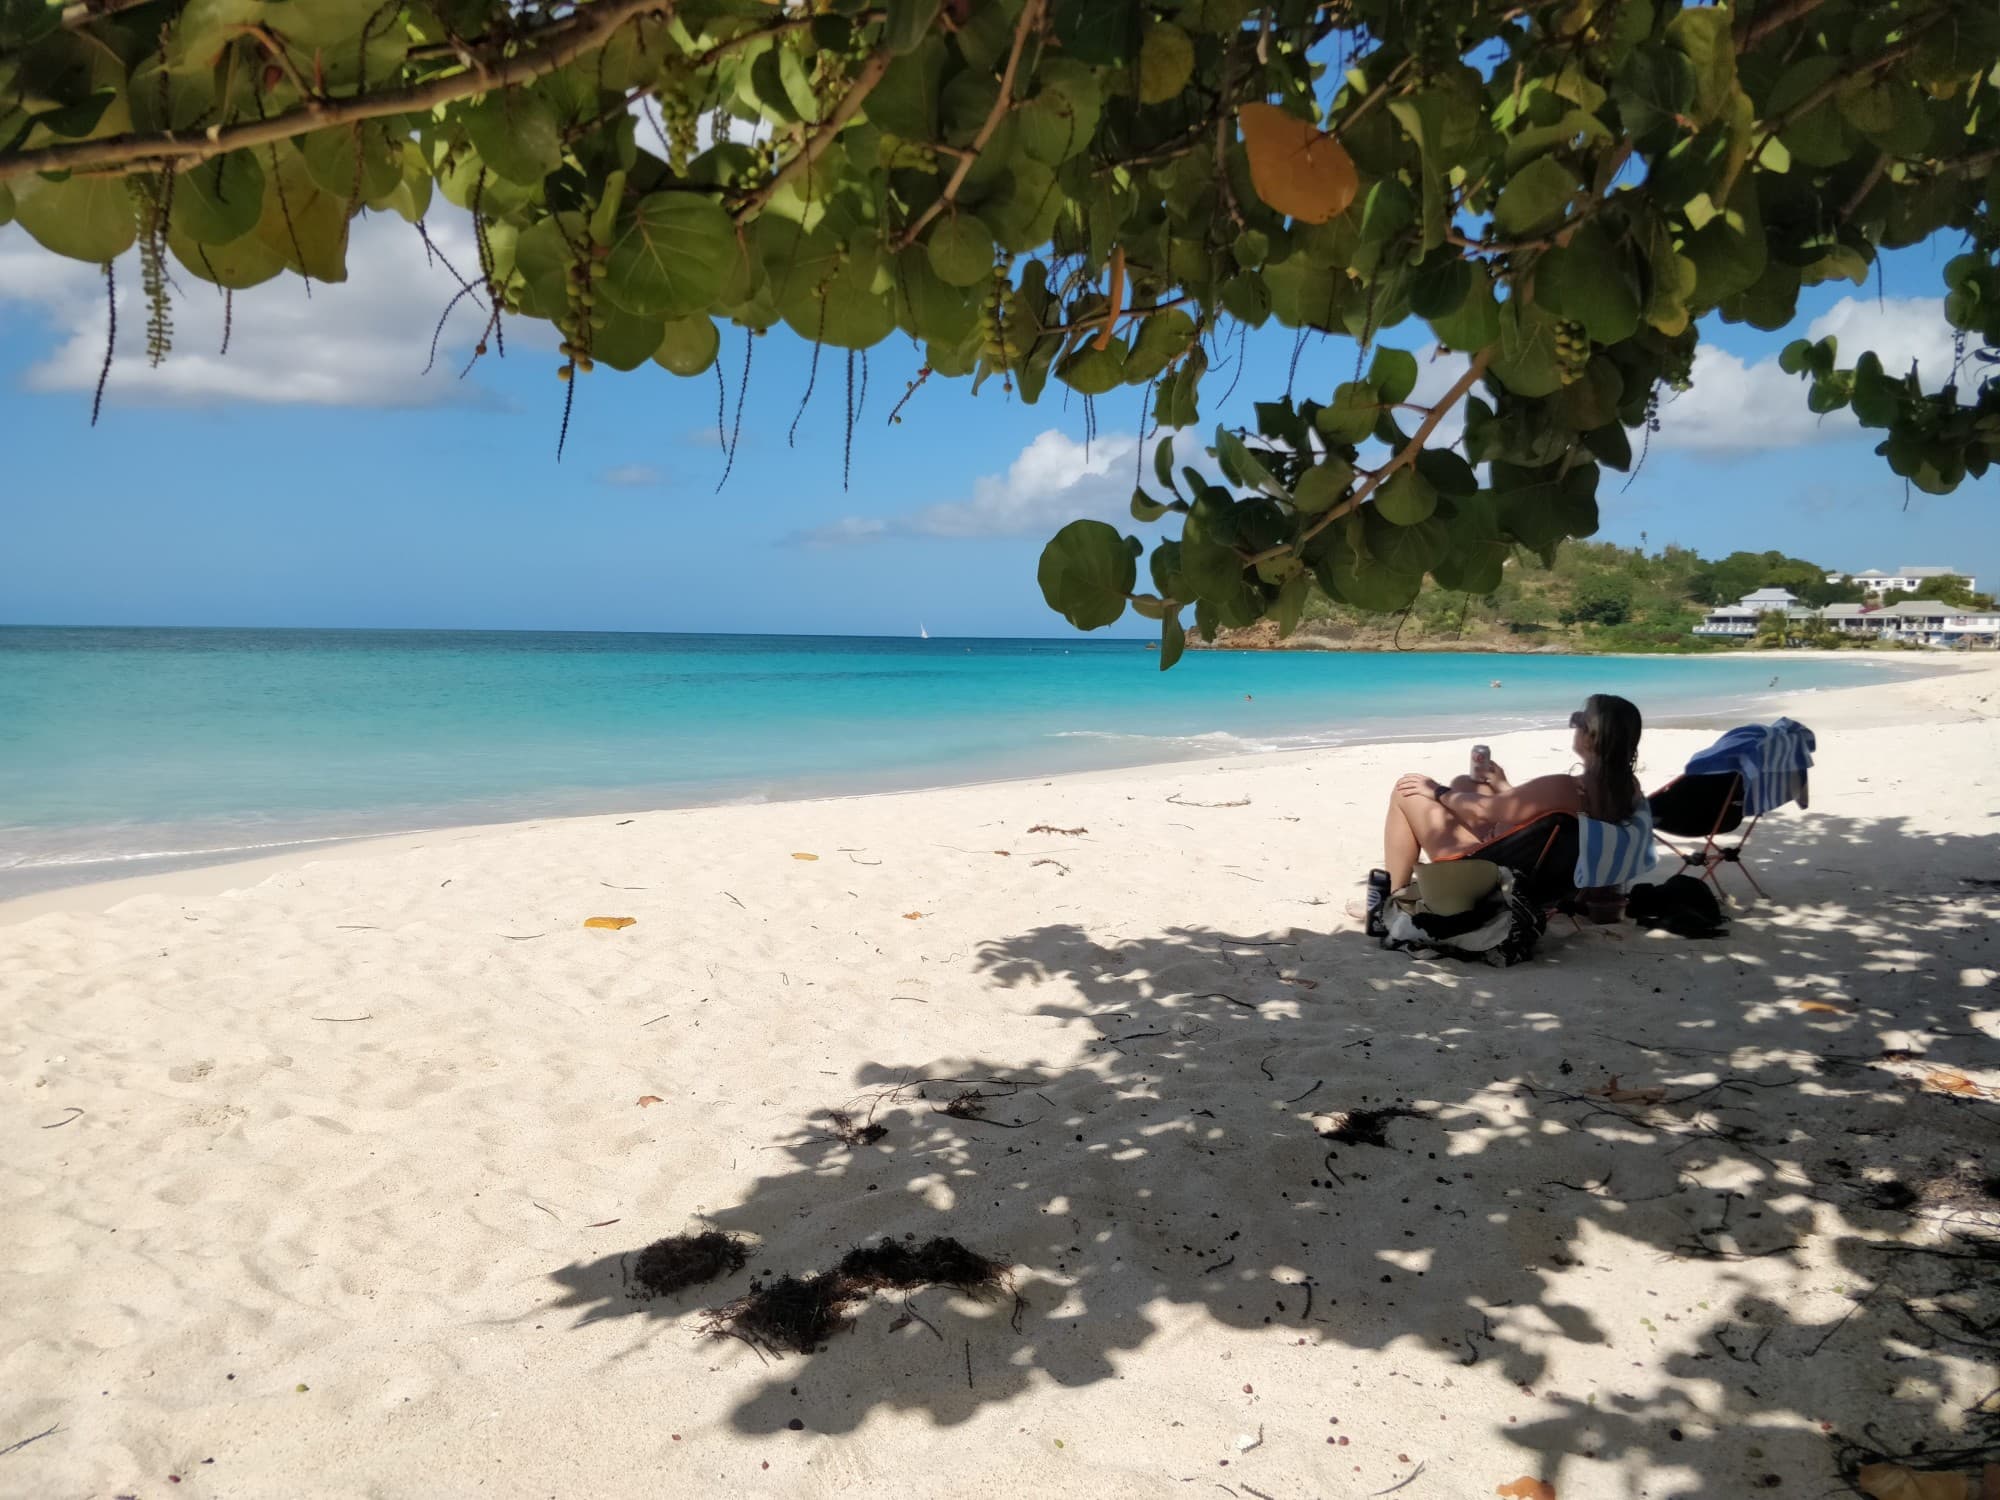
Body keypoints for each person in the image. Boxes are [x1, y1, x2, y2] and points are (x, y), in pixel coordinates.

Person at [1363, 695, 1645, 934]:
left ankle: (1390, 903)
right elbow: (1537, 813)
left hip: (1485, 877)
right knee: (1468, 784)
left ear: (1592, 737)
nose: (1574, 726)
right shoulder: (1627, 789)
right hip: (1548, 880)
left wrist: (1435, 790)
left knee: (1406, 791)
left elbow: (1485, 810)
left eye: (1578, 721)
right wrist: (1501, 786)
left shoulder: (1566, 787)